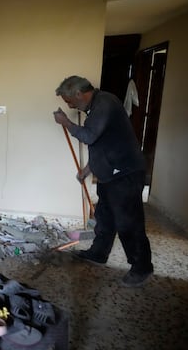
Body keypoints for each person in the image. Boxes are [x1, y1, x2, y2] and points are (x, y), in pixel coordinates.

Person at [52, 75, 154, 287]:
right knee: (104, 216)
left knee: (128, 223)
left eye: (69, 101)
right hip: (110, 174)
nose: (70, 105)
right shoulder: (96, 107)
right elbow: (100, 144)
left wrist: (66, 122)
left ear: (79, 94)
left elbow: (89, 136)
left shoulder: (105, 103)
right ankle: (98, 253)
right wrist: (87, 169)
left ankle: (141, 267)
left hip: (125, 173)